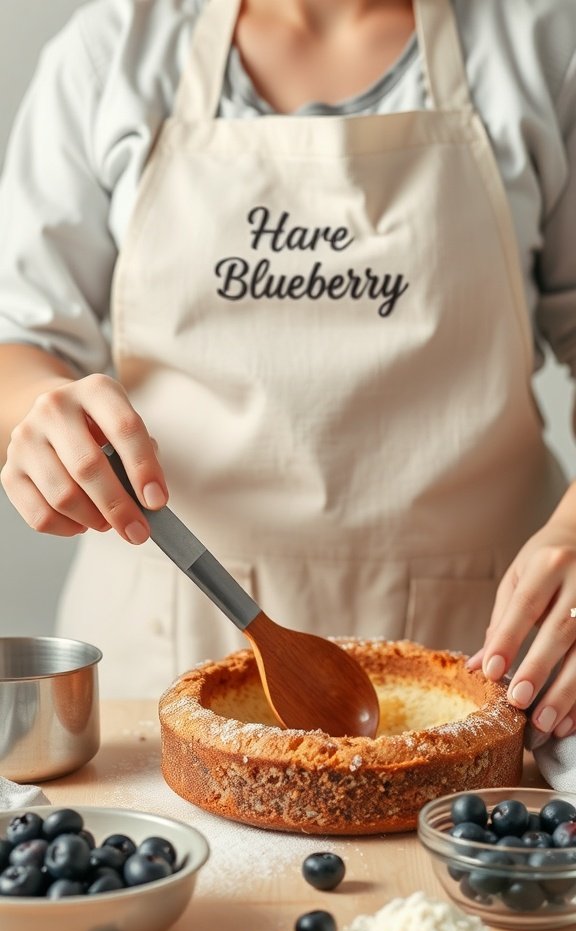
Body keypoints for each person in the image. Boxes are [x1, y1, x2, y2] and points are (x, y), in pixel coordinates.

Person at [0, 0, 575, 743]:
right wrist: (36, 413)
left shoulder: (541, 50)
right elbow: (17, 342)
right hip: (162, 656)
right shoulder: (113, 52)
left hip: (485, 673)